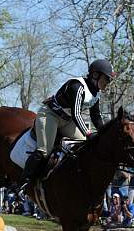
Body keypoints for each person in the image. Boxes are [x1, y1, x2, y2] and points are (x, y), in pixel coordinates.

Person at [19, 59, 114, 189]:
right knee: (44, 151)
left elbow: (96, 116)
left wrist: (103, 133)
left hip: (67, 121)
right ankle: (24, 181)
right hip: (50, 115)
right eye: (107, 79)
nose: (108, 83)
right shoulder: (78, 87)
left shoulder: (96, 94)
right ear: (95, 75)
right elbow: (76, 114)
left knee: (86, 145)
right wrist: (88, 132)